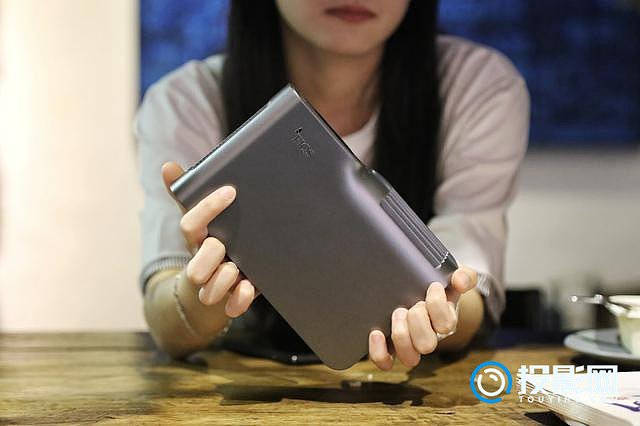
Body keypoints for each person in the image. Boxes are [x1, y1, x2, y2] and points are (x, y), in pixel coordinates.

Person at [136, 0, 529, 371]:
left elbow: (469, 286)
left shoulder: (477, 85)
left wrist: (442, 312)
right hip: (242, 385)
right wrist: (203, 298)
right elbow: (165, 316)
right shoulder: (185, 102)